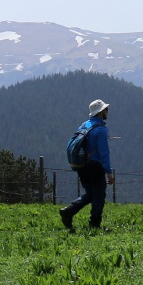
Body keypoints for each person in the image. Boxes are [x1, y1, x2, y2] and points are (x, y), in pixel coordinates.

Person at [60, 99, 114, 232]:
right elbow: (104, 153)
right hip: (95, 166)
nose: (107, 111)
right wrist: (109, 172)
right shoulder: (101, 130)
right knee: (99, 196)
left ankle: (69, 211)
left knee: (90, 194)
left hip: (82, 165)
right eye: (106, 109)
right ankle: (94, 224)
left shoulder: (84, 125)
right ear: (101, 112)